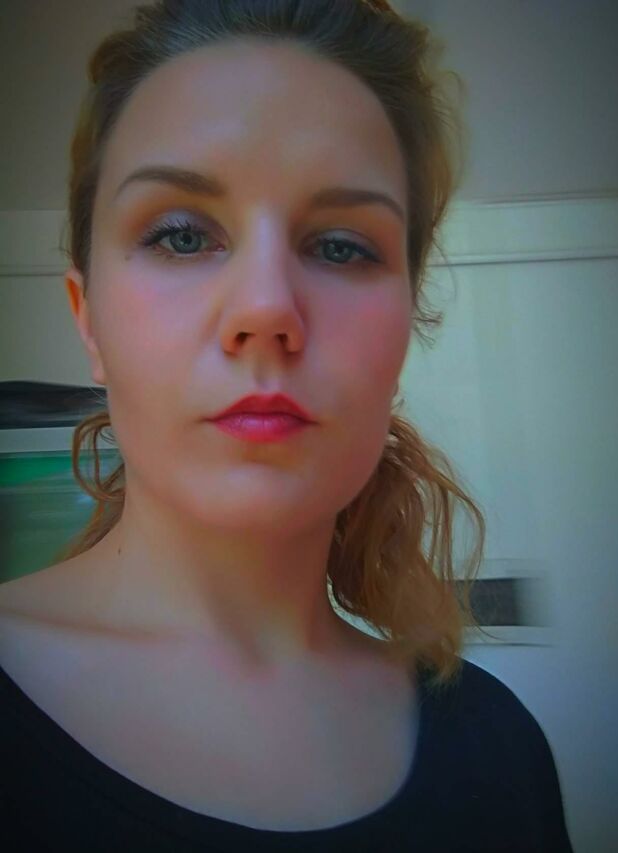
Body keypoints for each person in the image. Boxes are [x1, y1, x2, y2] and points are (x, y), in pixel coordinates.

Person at [0, 1, 574, 850]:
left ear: (404, 327)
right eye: (182, 235)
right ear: (90, 321)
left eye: (342, 246)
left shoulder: (503, 749)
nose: (267, 307)